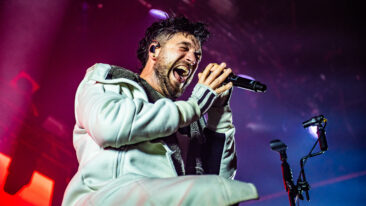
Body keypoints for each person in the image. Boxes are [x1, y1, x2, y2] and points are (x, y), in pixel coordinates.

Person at [62, 16, 258, 206]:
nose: (192, 59)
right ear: (154, 50)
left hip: (164, 197)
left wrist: (219, 112)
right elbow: (108, 126)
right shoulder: (110, 80)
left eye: (197, 56)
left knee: (219, 193)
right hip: (107, 197)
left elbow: (219, 178)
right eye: (184, 48)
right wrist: (195, 105)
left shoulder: (190, 123)